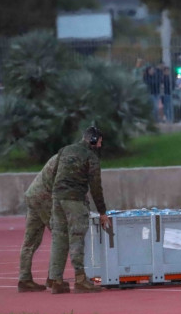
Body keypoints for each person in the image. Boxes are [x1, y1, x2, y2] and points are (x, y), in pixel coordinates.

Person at [47, 126, 111, 294]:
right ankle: (80, 279)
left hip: (57, 199)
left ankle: (56, 280)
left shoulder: (65, 150)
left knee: (59, 238)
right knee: (76, 237)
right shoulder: (91, 156)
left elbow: (53, 174)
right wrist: (103, 212)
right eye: (99, 142)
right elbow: (96, 187)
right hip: (74, 200)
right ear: (93, 140)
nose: (100, 146)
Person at [17, 153, 60, 292]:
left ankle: (24, 279)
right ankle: (53, 278)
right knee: (60, 236)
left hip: (33, 196)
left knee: (30, 241)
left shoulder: (59, 156)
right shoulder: (70, 161)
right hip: (43, 198)